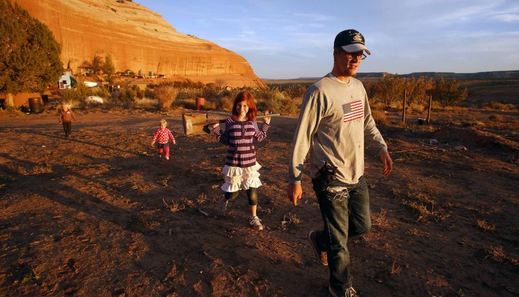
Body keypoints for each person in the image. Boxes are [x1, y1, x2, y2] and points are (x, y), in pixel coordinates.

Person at [287, 29, 393, 297]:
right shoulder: (319, 91)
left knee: (361, 226)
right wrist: (295, 178)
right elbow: (302, 137)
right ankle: (340, 287)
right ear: (335, 53)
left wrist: (381, 146)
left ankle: (320, 239)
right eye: (350, 53)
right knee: (340, 244)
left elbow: (367, 120)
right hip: (329, 176)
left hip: (356, 174)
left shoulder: (358, 86)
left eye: (360, 54)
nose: (356, 59)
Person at [211, 91, 271, 230]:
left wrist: (266, 125)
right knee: (233, 193)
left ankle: (254, 217)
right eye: (239, 105)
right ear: (235, 106)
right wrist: (216, 129)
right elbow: (226, 140)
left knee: (252, 192)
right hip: (234, 164)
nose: (242, 109)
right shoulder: (230, 121)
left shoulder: (252, 121)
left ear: (249, 106)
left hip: (249, 163)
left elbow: (259, 137)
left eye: (245, 106)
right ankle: (225, 199)